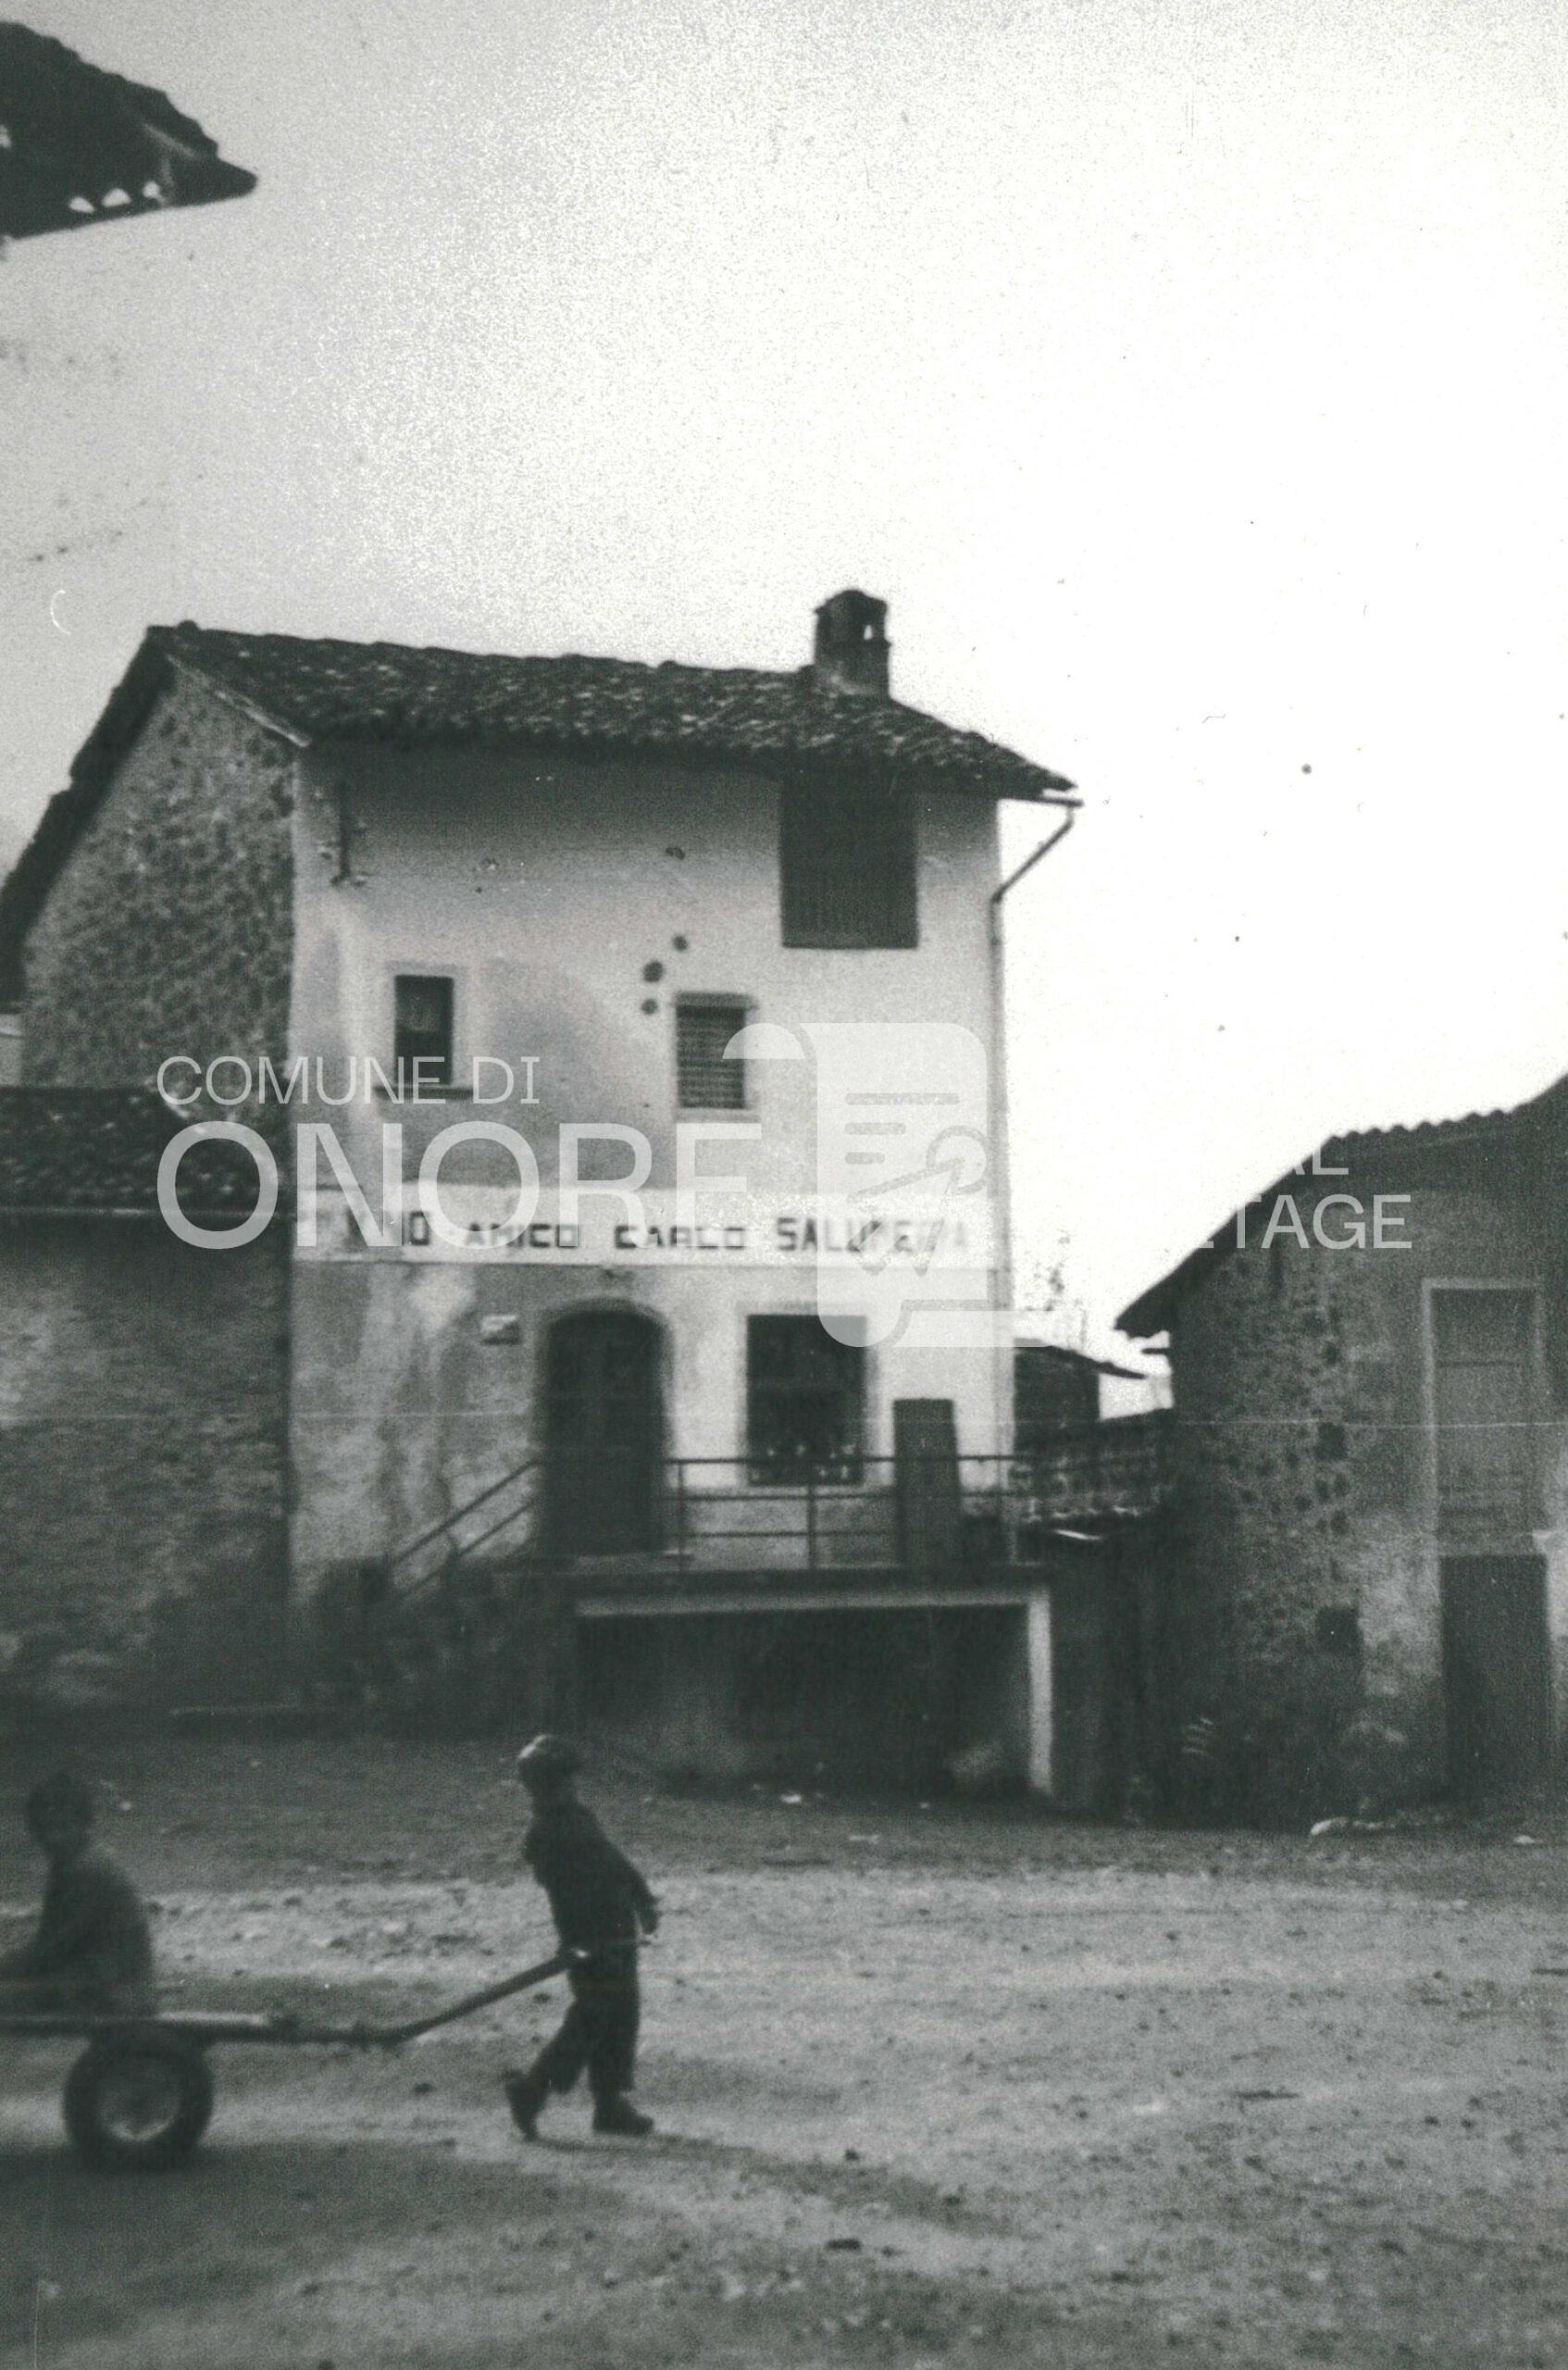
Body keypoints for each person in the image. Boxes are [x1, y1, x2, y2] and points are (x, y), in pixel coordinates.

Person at [503, 1735, 659, 2140]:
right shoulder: (545, 1835)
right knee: (591, 2018)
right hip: (591, 1939)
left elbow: (614, 1861)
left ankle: (609, 2106)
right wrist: (589, 1940)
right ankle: (533, 2090)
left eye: (567, 1780)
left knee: (620, 2016)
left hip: (615, 1932)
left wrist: (642, 1900)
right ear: (540, 1786)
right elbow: (571, 1892)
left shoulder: (578, 1817)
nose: (567, 1787)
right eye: (559, 1781)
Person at [0, 1771, 156, 2014]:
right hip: (100, 1981)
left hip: (114, 1993)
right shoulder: (73, 1862)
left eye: (62, 1827)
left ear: (85, 1824)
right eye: (44, 1828)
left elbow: (52, 1950)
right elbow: (49, 1943)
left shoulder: (87, 1870)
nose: (52, 1837)